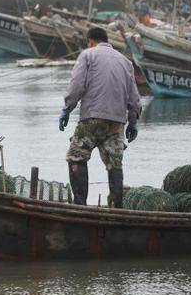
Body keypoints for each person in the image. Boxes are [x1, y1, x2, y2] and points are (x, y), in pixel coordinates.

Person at [59, 26, 141, 207]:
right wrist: (133, 121)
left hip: (92, 118)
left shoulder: (88, 55)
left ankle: (80, 206)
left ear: (90, 42)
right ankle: (117, 208)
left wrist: (67, 109)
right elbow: (134, 97)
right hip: (117, 122)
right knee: (115, 164)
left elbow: (76, 86)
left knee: (76, 157)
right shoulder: (125, 62)